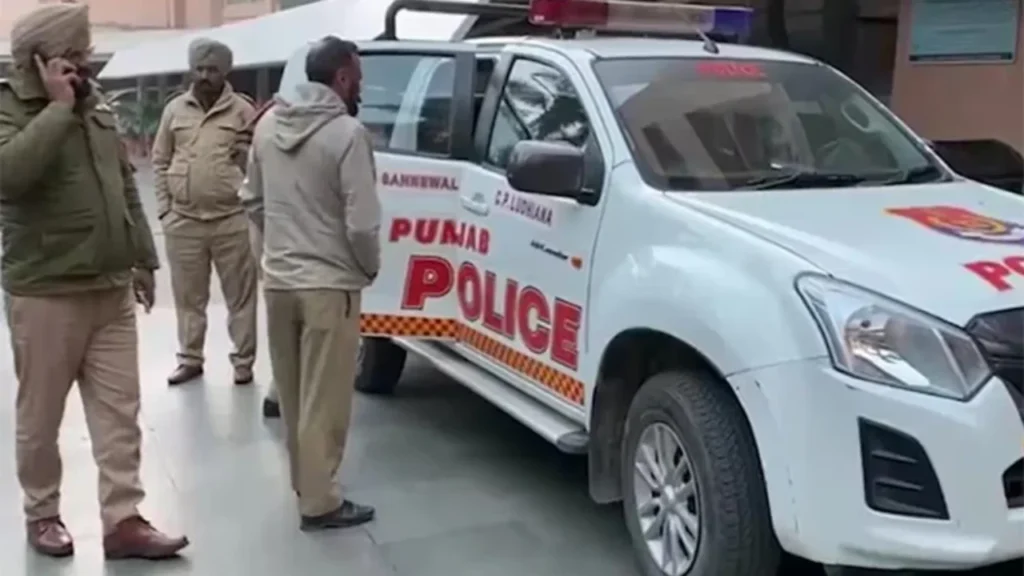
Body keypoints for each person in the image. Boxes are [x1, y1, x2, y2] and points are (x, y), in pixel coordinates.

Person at [0, 3, 188, 559]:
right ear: (41, 58)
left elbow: (124, 183)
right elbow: (9, 177)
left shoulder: (95, 103)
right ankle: (42, 513)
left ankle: (123, 519)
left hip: (109, 286)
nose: (85, 62)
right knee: (41, 416)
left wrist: (143, 257)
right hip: (46, 289)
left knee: (119, 411)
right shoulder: (8, 107)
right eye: (75, 53)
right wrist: (57, 109)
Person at [241, 36, 379, 530]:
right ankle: (320, 502)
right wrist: (366, 268)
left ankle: (307, 484)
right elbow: (362, 224)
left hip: (279, 283)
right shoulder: (348, 133)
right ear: (341, 77)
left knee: (295, 394)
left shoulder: (267, 126)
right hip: (329, 285)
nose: (361, 86)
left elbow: (252, 201)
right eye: (358, 77)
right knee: (326, 399)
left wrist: (279, 248)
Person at [152, 38, 259, 386]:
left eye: (212, 70)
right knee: (188, 298)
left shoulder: (243, 111)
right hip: (183, 221)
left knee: (240, 298)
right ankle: (190, 359)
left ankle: (243, 363)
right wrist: (165, 210)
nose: (203, 76)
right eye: (198, 68)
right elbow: (160, 160)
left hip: (232, 220)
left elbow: (259, 165)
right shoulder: (175, 110)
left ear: (226, 71)